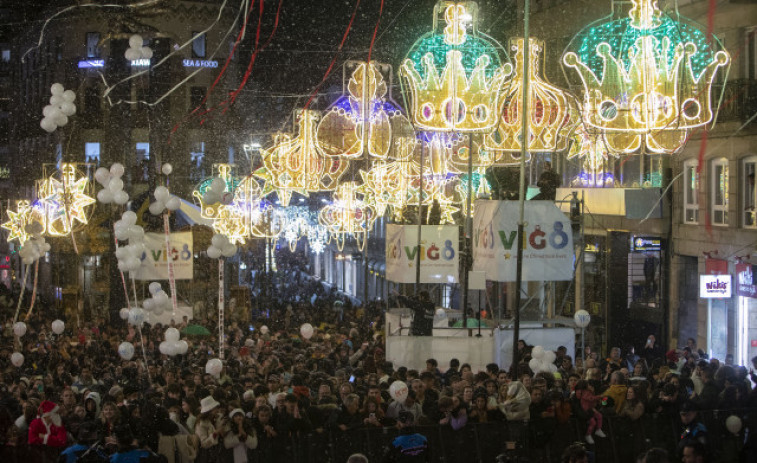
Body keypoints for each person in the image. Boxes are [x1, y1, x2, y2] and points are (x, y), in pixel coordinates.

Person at [572, 380, 607, 445]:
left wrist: (602, 401)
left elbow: (602, 405)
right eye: (589, 386)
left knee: (598, 417)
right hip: (585, 418)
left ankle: (597, 430)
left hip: (590, 415)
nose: (591, 388)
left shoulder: (593, 394)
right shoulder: (582, 395)